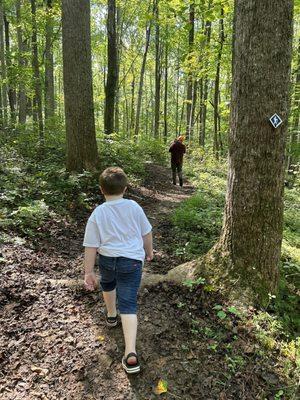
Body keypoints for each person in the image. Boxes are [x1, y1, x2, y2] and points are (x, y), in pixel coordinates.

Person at [82, 167, 153, 374]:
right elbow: (146, 232)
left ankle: (112, 315)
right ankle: (130, 353)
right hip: (131, 261)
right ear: (125, 188)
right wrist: (149, 252)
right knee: (129, 304)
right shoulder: (134, 206)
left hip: (107, 259)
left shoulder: (98, 212)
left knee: (108, 283)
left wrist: (88, 272)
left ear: (101, 190)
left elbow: (91, 245)